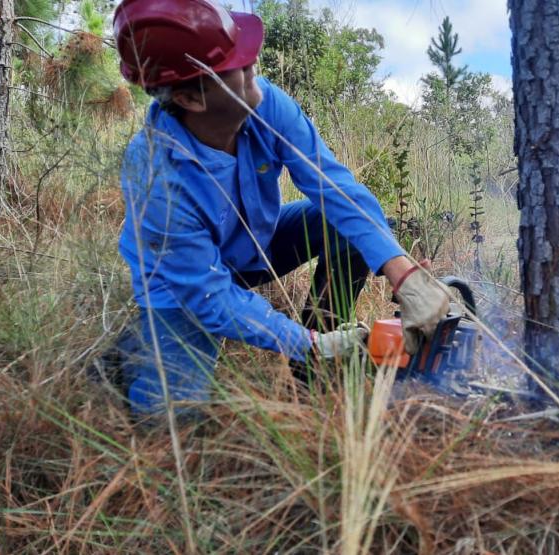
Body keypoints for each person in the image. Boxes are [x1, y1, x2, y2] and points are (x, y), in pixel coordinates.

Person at [109, 0, 450, 418]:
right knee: (171, 417)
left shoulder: (264, 103)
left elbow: (334, 187)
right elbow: (207, 293)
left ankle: (314, 375)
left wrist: (404, 274)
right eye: (236, 64)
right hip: (184, 285)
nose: (252, 62)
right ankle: (135, 353)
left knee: (338, 223)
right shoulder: (154, 176)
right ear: (189, 98)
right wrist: (304, 341)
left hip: (256, 246)